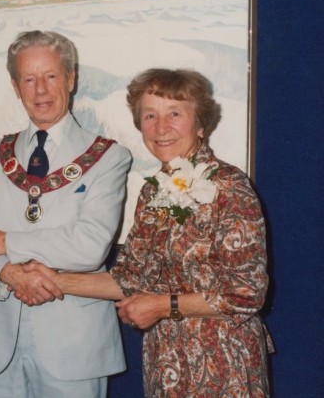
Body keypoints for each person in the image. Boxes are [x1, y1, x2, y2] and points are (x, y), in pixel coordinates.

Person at [23, 68, 274, 396]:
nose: (161, 127)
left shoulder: (228, 187)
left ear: (200, 125)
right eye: (149, 115)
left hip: (223, 365)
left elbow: (247, 293)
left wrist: (161, 306)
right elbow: (129, 279)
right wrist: (50, 279)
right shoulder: (152, 193)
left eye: (175, 114)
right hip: (165, 363)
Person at [0, 30, 132, 398]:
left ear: (71, 79)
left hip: (74, 345)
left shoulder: (108, 157)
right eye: (29, 78)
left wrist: (6, 243)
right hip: (0, 338)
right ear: (14, 85)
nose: (40, 90)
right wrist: (8, 274)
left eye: (51, 76)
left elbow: (88, 246)